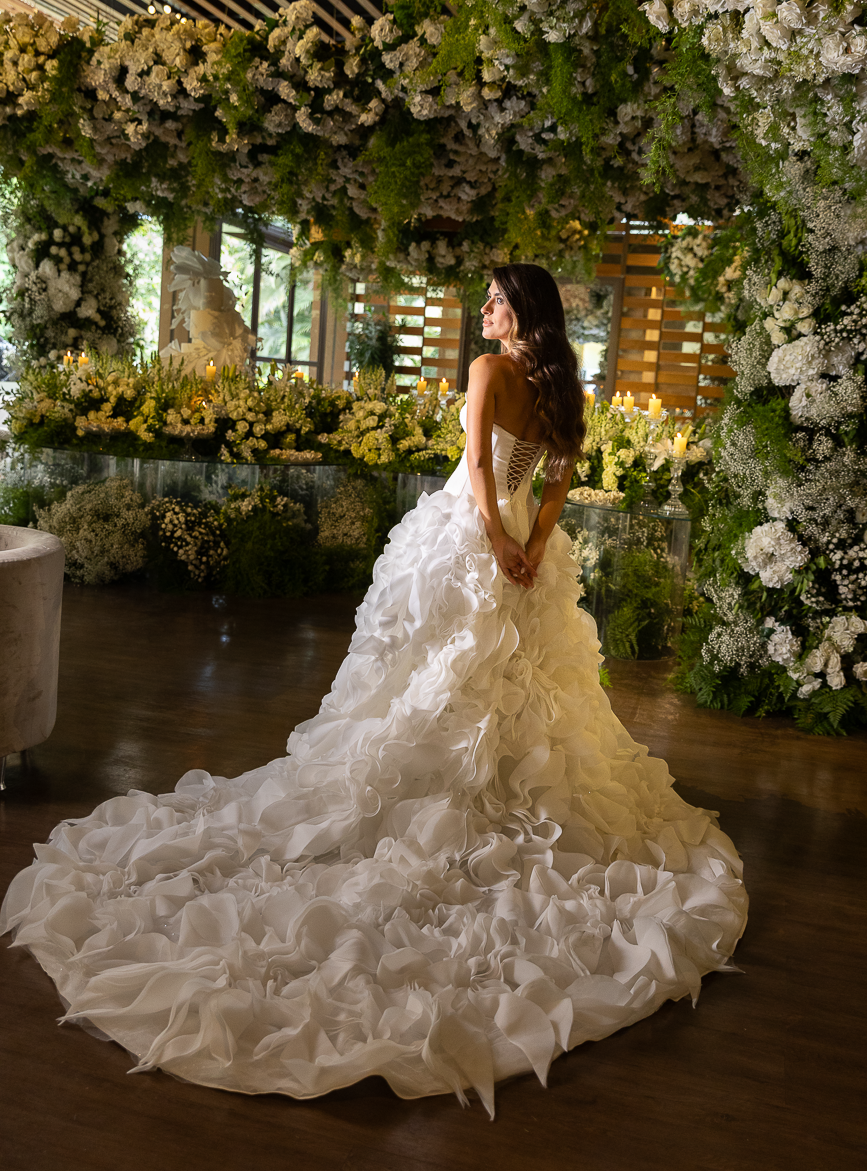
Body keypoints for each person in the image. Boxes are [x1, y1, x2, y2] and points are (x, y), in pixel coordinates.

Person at [1, 264, 747, 1117]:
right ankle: (487, 796)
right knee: (505, 684)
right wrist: (531, 550)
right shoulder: (555, 385)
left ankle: (450, 794)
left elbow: (475, 464)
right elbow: (553, 484)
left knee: (434, 677)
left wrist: (494, 542)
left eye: (499, 300)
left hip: (471, 536)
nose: (488, 310)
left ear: (521, 313)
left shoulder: (488, 369)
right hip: (522, 548)